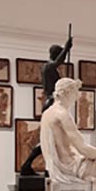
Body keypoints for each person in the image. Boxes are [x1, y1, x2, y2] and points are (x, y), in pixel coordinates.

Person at [20, 35, 73, 175]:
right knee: (50, 138)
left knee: (53, 139)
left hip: (50, 101)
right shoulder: (48, 66)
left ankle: (45, 167)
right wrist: (67, 48)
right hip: (51, 102)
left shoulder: (49, 67)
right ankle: (29, 166)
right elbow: (59, 61)